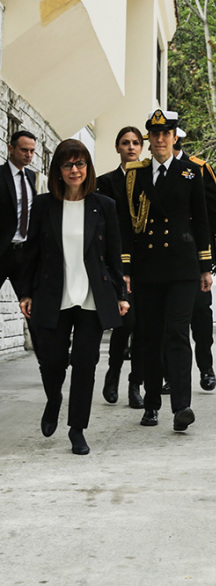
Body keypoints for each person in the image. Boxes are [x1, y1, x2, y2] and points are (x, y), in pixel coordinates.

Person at [18, 139, 129, 455]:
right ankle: (54, 399)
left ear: (88, 168)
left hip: (92, 296)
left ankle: (77, 429)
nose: (74, 170)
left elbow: (113, 255)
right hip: (53, 293)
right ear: (58, 169)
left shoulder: (104, 205)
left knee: (85, 363)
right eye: (68, 164)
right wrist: (26, 292)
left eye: (80, 164)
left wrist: (120, 294)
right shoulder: (44, 205)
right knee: (52, 359)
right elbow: (31, 251)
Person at [121, 109, 212, 432]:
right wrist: (126, 267)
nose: (160, 139)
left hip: (182, 266)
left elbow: (201, 220)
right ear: (149, 139)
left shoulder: (191, 172)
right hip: (147, 268)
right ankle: (151, 403)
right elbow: (126, 224)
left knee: (177, 334)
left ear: (174, 138)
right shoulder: (136, 175)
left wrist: (205, 266)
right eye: (155, 134)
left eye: (166, 134)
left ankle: (181, 406)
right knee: (150, 336)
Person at [174, 129, 216, 388]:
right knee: (169, 319)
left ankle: (205, 366)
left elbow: (215, 209)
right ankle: (172, 374)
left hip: (196, 251)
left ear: (175, 139)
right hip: (163, 252)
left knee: (200, 313)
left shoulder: (197, 169)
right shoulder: (149, 171)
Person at [96, 126, 145, 409]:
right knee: (126, 323)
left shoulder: (149, 180)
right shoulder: (105, 182)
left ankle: (135, 384)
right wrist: (117, 269)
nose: (131, 147)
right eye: (125, 143)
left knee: (143, 327)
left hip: (147, 263)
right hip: (117, 262)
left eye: (136, 143)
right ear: (117, 148)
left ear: (141, 148)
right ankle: (113, 372)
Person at [0, 130, 38, 300]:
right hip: (3, 249)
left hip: (23, 252)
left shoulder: (30, 176)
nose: (28, 155)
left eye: (32, 151)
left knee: (32, 302)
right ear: (11, 149)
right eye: (24, 150)